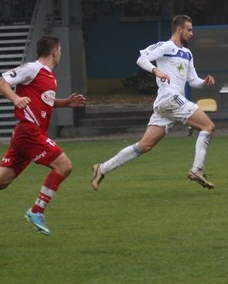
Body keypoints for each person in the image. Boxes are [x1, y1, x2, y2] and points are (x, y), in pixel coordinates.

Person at [0, 35, 86, 237]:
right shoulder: (32, 68)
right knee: (64, 165)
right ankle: (36, 211)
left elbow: (44, 100)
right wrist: (16, 98)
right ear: (54, 51)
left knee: (0, 181)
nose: (60, 53)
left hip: (27, 135)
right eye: (60, 50)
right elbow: (1, 84)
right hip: (29, 131)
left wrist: (65, 103)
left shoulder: (49, 75)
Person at [91, 15, 217, 191]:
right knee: (208, 127)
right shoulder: (166, 46)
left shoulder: (187, 53)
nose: (192, 33)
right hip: (169, 98)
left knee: (145, 145)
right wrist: (156, 70)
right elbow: (141, 58)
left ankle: (102, 168)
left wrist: (204, 82)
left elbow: (193, 80)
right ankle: (197, 170)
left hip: (168, 104)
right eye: (189, 29)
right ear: (179, 29)